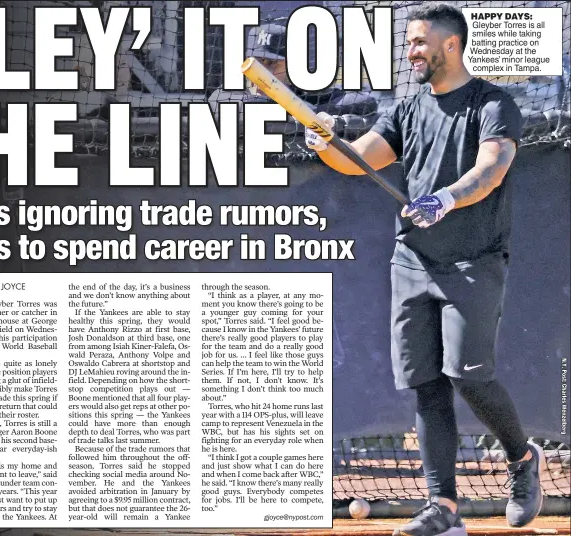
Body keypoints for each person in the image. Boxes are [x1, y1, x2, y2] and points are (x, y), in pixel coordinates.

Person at [305, 4, 544, 536]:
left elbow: (491, 168)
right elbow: (359, 158)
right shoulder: (408, 108)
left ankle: (522, 458)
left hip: (473, 259)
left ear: (450, 45)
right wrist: (326, 145)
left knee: (467, 374)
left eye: (417, 43)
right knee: (425, 384)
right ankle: (444, 508)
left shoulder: (492, 103)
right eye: (408, 43)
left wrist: (444, 199)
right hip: (413, 260)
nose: (409, 52)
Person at [209, 22, 378, 119]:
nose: (261, 71)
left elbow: (365, 102)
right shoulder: (229, 92)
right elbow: (220, 103)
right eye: (256, 62)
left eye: (271, 63)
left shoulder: (303, 94)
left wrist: (308, 111)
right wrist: (296, 111)